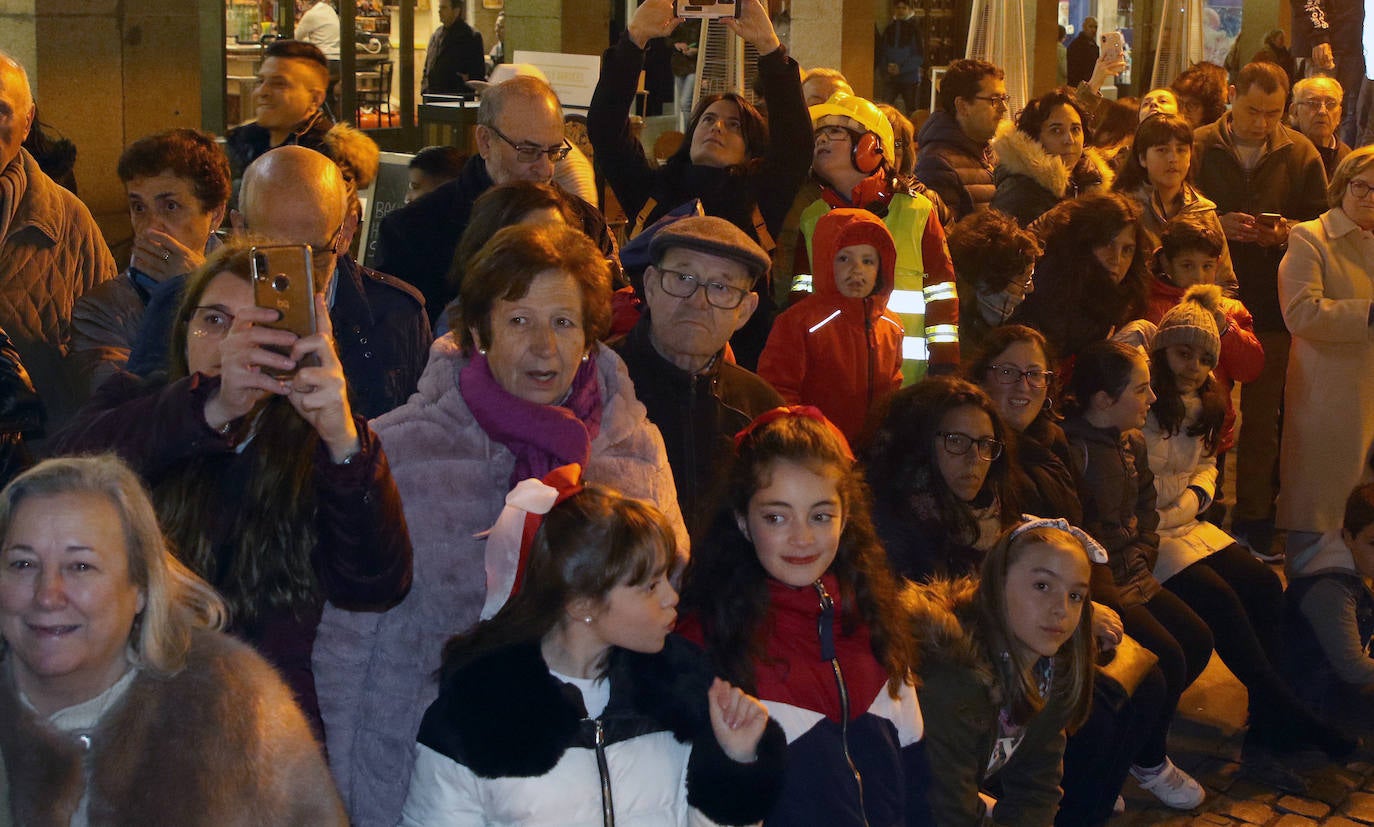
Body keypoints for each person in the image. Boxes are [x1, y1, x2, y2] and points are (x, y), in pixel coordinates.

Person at [312, 223, 687, 827]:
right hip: (428, 776)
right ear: (480, 332)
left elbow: (666, 606)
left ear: (591, 339)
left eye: (564, 323)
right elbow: (348, 638)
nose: (543, 346)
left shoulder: (633, 452)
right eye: (519, 320)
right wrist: (351, 790)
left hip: (597, 779)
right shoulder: (401, 453)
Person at [53, 241, 414, 737]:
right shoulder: (138, 401)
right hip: (121, 717)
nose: (233, 342)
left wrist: (342, 438)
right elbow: (62, 485)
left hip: (260, 731)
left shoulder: (321, 438)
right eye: (216, 321)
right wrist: (212, 407)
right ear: (183, 331)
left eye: (261, 325)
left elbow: (375, 583)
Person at [398, 480, 786, 825]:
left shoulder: (681, 695)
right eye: (649, 586)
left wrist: (735, 762)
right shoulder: (476, 716)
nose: (672, 597)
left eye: (667, 578)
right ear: (581, 603)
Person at [0, 454, 348, 823]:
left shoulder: (233, 708)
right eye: (23, 564)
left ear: (141, 587)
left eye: (80, 566)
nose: (47, 595)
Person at [1143, 291, 1356, 791]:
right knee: (1218, 598)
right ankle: (1287, 713)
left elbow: (1207, 467)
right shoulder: (1146, 402)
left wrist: (1193, 500)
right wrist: (1175, 510)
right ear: (1161, 353)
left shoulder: (1208, 405)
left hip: (1188, 522)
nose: (1194, 367)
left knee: (1262, 583)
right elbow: (1138, 487)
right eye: (1183, 354)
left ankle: (1268, 724)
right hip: (1148, 535)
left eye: (1204, 358)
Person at [678, 406, 931, 824]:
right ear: (742, 521)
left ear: (845, 516)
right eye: (776, 516)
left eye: (820, 515)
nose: (802, 538)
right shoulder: (704, 646)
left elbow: (919, 782)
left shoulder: (875, 621)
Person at [128, 146, 430, 420]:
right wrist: (213, 402)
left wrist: (347, 440)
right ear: (240, 229)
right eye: (274, 257)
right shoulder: (181, 306)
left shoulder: (397, 314)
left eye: (313, 255)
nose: (297, 278)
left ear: (347, 231)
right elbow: (135, 435)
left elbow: (414, 451)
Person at [589, 0, 810, 367]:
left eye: (734, 124)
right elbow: (605, 130)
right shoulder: (653, 189)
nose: (716, 127)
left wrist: (770, 48)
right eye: (707, 119)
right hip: (650, 357)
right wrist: (636, 38)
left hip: (740, 361)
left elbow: (796, 146)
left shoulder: (760, 195)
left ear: (751, 148)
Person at [1061, 340, 1213, 810]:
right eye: (1141, 390)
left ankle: (1128, 745)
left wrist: (1145, 549)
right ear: (1105, 399)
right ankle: (1146, 759)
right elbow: (1084, 530)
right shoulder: (1076, 450)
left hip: (1136, 571)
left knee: (1196, 638)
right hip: (1108, 584)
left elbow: (1144, 507)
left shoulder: (1130, 441)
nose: (1151, 399)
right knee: (1163, 658)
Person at [1192, 61, 1329, 562]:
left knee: (1265, 419)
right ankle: (1204, 509)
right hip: (1209, 300)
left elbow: (1321, 219)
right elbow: (1180, 206)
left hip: (1273, 305)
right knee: (1208, 409)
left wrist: (1285, 230)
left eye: (1273, 113)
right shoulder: (1202, 144)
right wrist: (1215, 224)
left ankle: (1254, 517)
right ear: (1232, 96)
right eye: (1253, 110)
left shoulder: (1300, 151)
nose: (1262, 123)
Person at [375, 75, 616, 325]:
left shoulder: (586, 223)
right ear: (485, 141)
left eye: (554, 152)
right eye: (527, 151)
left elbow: (608, 321)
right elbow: (401, 344)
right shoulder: (411, 232)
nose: (546, 170)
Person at [909, 521, 1096, 824]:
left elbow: (1037, 788)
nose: (1061, 609)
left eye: (1075, 595)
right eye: (1042, 586)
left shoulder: (1047, 675)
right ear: (997, 583)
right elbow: (945, 812)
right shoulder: (951, 678)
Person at [611, 215, 781, 536]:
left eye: (721, 287)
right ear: (649, 285)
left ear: (744, 310)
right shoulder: (594, 385)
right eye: (683, 278)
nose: (698, 302)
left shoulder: (761, 410)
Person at [787, 92, 959, 380]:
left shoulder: (917, 210)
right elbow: (801, 303)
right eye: (819, 134)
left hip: (907, 384)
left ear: (871, 146)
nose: (822, 139)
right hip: (833, 383)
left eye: (835, 131)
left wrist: (944, 368)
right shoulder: (811, 217)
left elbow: (941, 293)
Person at [0, 52, 117, 433]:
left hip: (34, 457)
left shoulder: (69, 223)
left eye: (1, 110)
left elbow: (108, 349)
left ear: (27, 120)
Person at [71, 128, 230, 395]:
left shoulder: (251, 284)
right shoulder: (102, 309)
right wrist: (179, 294)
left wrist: (199, 288)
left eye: (170, 207)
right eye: (139, 208)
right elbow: (126, 410)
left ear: (214, 215)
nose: (150, 228)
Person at [1277, 146, 1374, 565]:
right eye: (1361, 186)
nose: (1370, 196)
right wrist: (1369, 314)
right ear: (1342, 186)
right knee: (1324, 509)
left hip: (1367, 393)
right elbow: (1301, 312)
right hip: (1330, 395)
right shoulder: (1311, 237)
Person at [760, 208, 901, 442]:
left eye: (868, 260)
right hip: (816, 453)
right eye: (844, 258)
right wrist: (805, 443)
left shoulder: (892, 325)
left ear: (882, 268)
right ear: (826, 261)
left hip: (872, 454)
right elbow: (777, 392)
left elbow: (892, 391)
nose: (857, 269)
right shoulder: (800, 322)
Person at [866, 377, 1019, 582]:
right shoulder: (886, 526)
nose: (974, 458)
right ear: (920, 443)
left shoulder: (998, 514)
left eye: (985, 444)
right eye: (956, 441)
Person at [1013, 192, 1150, 369]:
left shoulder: (1122, 291)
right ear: (1086, 241)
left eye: (1127, 250)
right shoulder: (1052, 284)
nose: (1116, 259)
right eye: (1107, 244)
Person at [1284, 483, 1374, 733]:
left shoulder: (1358, 564)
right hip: (1312, 707)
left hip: (1331, 688)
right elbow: (1353, 668)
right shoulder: (1330, 588)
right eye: (1373, 543)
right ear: (1348, 536)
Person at [1115, 113, 1237, 293]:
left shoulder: (1203, 210)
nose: (1173, 159)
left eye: (1181, 150)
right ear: (1142, 158)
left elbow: (1226, 282)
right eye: (1162, 150)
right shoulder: (1123, 209)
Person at [990, 90, 1113, 227]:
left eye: (1075, 129)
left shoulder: (1090, 180)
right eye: (1056, 130)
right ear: (1033, 138)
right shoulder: (1018, 194)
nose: (1069, 140)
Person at [224, 40, 335, 182]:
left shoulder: (327, 157)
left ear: (315, 99)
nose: (262, 92)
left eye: (279, 84)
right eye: (260, 81)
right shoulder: (241, 142)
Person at [915, 58, 1006, 222]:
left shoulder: (991, 154)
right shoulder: (936, 164)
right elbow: (942, 239)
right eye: (994, 100)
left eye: (1004, 99)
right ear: (963, 106)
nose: (1003, 108)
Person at [947, 209, 1040, 357]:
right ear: (989, 282)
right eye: (1024, 280)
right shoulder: (951, 330)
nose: (1030, 289)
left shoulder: (977, 317)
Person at [1292, 0, 1365, 144]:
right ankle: (1309, 159)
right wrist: (1318, 35)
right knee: (1315, 108)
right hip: (1327, 43)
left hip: (1358, 44)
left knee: (1351, 114)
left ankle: (1341, 161)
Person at [1291, 76, 1351, 179]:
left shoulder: (1347, 157)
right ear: (1294, 111)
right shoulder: (1284, 151)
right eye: (1312, 103)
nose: (1322, 111)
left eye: (1331, 104)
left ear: (1339, 114)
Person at [422, 0, 485, 95]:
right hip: (431, 96)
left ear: (456, 11)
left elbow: (477, 73)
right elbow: (428, 66)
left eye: (444, 8)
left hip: (456, 98)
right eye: (439, 8)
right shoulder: (436, 35)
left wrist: (462, 80)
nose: (439, 11)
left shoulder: (470, 37)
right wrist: (424, 89)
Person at [878, 0, 923, 111]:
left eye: (904, 8)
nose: (901, 11)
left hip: (909, 79)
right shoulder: (889, 29)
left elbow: (919, 56)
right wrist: (886, 67)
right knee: (884, 109)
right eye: (898, 8)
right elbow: (882, 52)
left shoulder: (914, 29)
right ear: (894, 9)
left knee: (911, 111)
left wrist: (901, 69)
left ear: (908, 10)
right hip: (891, 78)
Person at [1170, 62, 1229, 128]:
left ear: (1210, 110)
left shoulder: (1217, 135)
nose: (1182, 111)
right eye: (1179, 102)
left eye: (1192, 105)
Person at [1067, 17, 1100, 86]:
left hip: (1091, 85)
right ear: (1084, 27)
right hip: (1079, 86)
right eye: (1090, 26)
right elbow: (1073, 71)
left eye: (1095, 27)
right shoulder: (1076, 46)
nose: (1093, 30)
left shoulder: (1094, 45)